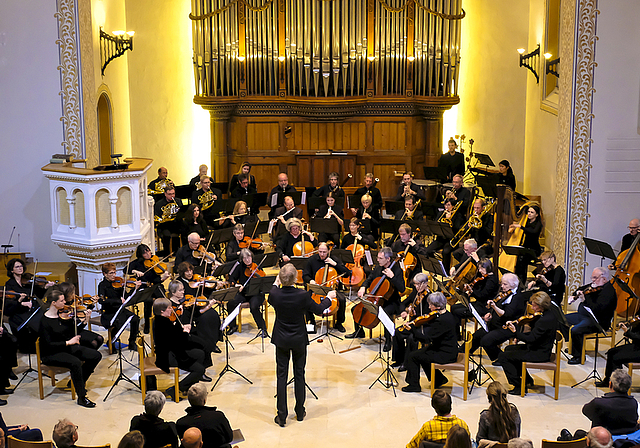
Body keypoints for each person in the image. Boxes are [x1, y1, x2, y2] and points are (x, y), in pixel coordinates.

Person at [269, 264, 332, 427]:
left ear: (281, 278)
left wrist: (277, 282)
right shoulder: (302, 295)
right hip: (298, 339)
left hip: (281, 339)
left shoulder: (274, 294)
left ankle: (281, 416)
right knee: (299, 374)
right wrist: (329, 299)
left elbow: (274, 289)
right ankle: (300, 412)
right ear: (296, 278)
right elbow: (319, 309)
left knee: (281, 376)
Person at [39, 289, 101, 408]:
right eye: (61, 301)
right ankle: (81, 397)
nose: (65, 303)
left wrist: (85, 321)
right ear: (53, 303)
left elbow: (72, 331)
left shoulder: (61, 315)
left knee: (96, 356)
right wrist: (68, 342)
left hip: (65, 348)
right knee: (75, 363)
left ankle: (77, 382)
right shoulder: (45, 321)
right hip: (51, 353)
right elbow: (48, 345)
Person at [499, 291, 559, 394]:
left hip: (539, 353)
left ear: (541, 305)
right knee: (509, 349)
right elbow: (536, 335)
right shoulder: (548, 313)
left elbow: (531, 338)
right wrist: (520, 336)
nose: (532, 307)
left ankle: (518, 386)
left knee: (503, 357)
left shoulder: (544, 320)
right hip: (539, 347)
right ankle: (527, 380)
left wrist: (515, 332)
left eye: (534, 305)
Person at [152, 297, 210, 401]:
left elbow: (174, 334)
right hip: (169, 356)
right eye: (169, 308)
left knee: (200, 353)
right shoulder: (163, 324)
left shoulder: (162, 320)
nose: (172, 309)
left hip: (172, 351)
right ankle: (176, 389)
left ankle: (190, 385)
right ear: (162, 311)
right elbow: (178, 341)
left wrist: (181, 327)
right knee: (200, 369)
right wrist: (185, 332)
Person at [348, 247, 405, 348]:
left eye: (380, 258)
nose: (377, 260)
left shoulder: (397, 270)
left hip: (392, 301)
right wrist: (363, 287)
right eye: (378, 258)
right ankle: (359, 331)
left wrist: (393, 277)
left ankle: (388, 340)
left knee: (385, 314)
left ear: (388, 259)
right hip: (375, 299)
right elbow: (369, 279)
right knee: (354, 309)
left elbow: (402, 289)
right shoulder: (378, 268)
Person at [402, 292, 459, 392]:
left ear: (437, 306)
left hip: (446, 353)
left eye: (430, 305)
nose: (429, 307)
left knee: (413, 356)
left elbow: (426, 340)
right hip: (445, 348)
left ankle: (414, 385)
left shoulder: (442, 321)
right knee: (422, 353)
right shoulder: (446, 315)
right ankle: (438, 379)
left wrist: (413, 329)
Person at [468, 273, 528, 365]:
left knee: (486, 340)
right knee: (478, 334)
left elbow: (507, 314)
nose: (502, 286)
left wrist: (494, 307)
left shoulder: (518, 297)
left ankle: (500, 358)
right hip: (498, 323)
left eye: (505, 284)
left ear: (513, 285)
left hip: (508, 327)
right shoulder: (506, 293)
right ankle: (465, 351)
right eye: (502, 283)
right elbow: (499, 307)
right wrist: (490, 313)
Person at [565, 267, 617, 365]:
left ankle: (578, 357)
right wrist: (577, 293)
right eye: (592, 277)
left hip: (598, 321)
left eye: (595, 278)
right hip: (584, 316)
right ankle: (574, 346)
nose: (592, 280)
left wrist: (585, 300)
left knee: (575, 330)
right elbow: (580, 288)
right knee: (563, 319)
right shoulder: (595, 285)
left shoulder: (609, 292)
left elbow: (598, 309)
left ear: (604, 279)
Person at [4, 258, 53, 352]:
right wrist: (21, 302)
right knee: (39, 325)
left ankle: (47, 345)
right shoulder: (10, 284)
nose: (20, 268)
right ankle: (40, 347)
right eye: (17, 267)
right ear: (12, 270)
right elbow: (8, 305)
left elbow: (39, 293)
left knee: (47, 321)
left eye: (21, 266)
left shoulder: (27, 280)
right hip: (20, 313)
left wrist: (46, 287)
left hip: (33, 310)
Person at [302, 242, 351, 332]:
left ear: (329, 250)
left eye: (324, 252)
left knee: (342, 299)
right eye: (320, 251)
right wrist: (311, 281)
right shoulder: (312, 260)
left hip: (331, 289)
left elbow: (347, 274)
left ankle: (339, 323)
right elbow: (305, 275)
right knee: (305, 298)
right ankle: (311, 321)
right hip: (316, 288)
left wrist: (335, 265)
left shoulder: (334, 259)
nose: (322, 254)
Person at [167, 280, 221, 354]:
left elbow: (198, 313)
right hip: (181, 335)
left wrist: (208, 306)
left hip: (191, 330)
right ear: (173, 293)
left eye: (183, 289)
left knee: (207, 340)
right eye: (180, 290)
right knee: (205, 345)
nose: (183, 292)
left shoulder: (185, 303)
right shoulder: (169, 306)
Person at [97, 263, 141, 351]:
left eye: (114, 273)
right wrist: (117, 301)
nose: (114, 275)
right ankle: (111, 341)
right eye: (111, 273)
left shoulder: (119, 283)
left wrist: (135, 289)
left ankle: (132, 342)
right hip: (108, 312)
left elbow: (126, 297)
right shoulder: (102, 285)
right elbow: (101, 301)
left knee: (136, 318)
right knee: (118, 322)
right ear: (104, 274)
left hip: (120, 310)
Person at [392, 273, 431, 371]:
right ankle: (399, 359)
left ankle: (407, 363)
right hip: (412, 324)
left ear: (426, 283)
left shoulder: (429, 297)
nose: (417, 287)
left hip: (423, 326)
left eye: (419, 284)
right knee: (397, 332)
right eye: (415, 285)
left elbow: (427, 317)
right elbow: (404, 303)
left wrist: (415, 313)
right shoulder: (415, 293)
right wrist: (405, 311)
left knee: (411, 338)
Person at [582, 369, 639, 436]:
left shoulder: (598, 403)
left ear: (610, 384)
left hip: (603, 440)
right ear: (628, 386)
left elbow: (585, 411)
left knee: (579, 433)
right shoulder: (633, 402)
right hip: (627, 441)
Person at [226, 249, 268, 337]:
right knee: (231, 303)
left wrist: (257, 275)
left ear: (251, 256)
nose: (247, 260)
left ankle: (262, 328)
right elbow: (231, 278)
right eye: (244, 258)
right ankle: (232, 326)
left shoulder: (257, 266)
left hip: (256, 293)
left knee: (254, 306)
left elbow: (263, 278)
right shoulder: (239, 267)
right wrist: (236, 285)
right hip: (244, 293)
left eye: (248, 257)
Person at [175, 383, 233, 448]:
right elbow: (229, 438)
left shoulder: (181, 423)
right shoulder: (218, 416)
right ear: (205, 400)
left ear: (189, 400)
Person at [406, 390, 470, 447]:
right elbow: (467, 443)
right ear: (450, 404)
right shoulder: (462, 425)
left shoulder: (428, 427)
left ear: (434, 406)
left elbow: (411, 446)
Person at [130, 244, 171, 332]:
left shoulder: (154, 259)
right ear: (141, 254)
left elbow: (157, 279)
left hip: (156, 285)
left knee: (161, 302)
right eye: (145, 253)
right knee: (148, 302)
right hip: (145, 287)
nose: (148, 254)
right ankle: (147, 327)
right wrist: (135, 271)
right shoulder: (137, 263)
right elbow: (126, 269)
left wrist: (163, 278)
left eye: (148, 251)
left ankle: (160, 323)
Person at [596, 320, 640, 387]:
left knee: (616, 358)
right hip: (637, 346)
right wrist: (627, 326)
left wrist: (628, 332)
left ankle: (618, 384)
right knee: (611, 352)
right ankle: (608, 380)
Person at [425, 198, 465, 270]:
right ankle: (437, 266)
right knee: (428, 251)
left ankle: (445, 271)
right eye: (445, 205)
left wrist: (450, 220)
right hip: (440, 239)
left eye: (449, 205)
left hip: (451, 240)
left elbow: (456, 229)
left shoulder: (458, 215)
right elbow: (436, 224)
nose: (446, 207)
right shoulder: (441, 213)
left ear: (453, 206)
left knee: (445, 252)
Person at [510, 204, 543, 282]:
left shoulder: (538, 224)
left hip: (534, 249)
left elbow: (533, 232)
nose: (529, 213)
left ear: (537, 215)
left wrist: (521, 227)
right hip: (525, 247)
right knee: (518, 260)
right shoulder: (526, 221)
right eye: (528, 211)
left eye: (532, 212)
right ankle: (516, 279)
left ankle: (522, 281)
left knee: (522, 261)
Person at [154, 185, 183, 256]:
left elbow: (182, 214)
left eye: (173, 194)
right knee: (166, 235)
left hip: (176, 224)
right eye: (169, 194)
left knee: (186, 231)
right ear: (165, 194)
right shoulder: (159, 204)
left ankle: (180, 252)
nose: (172, 196)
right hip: (164, 226)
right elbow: (157, 216)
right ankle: (166, 254)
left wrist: (179, 211)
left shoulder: (178, 201)